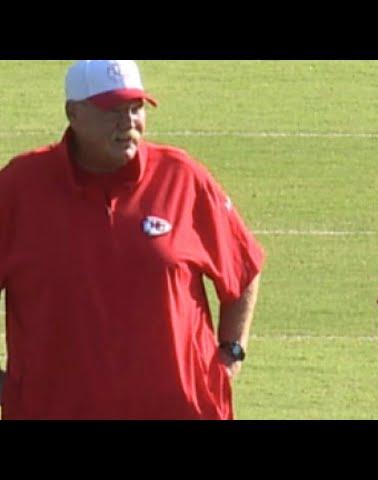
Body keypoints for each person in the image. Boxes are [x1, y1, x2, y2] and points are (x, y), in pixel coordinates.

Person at [0, 60, 265, 419]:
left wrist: (231, 352)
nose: (128, 122)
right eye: (112, 110)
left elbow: (243, 268)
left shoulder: (181, 177)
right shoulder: (20, 187)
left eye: (136, 107)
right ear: (73, 114)